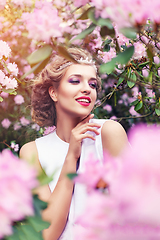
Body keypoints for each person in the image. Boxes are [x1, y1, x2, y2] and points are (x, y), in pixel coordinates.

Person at [20, 47, 128, 240]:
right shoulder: (32, 152)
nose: (87, 88)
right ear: (54, 92)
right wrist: (71, 157)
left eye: (93, 84)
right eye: (75, 81)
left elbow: (134, 213)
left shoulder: (108, 133)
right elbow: (47, 233)